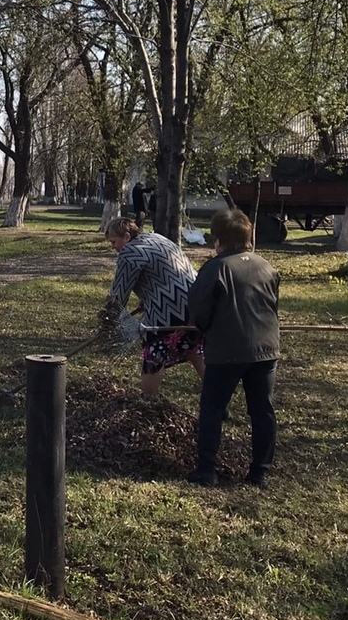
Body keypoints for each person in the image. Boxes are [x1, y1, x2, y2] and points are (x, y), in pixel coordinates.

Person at [186, 209, 280, 488]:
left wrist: (204, 328)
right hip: (266, 349)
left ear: (218, 239)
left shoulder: (216, 268)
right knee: (262, 410)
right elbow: (272, 306)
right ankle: (260, 472)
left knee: (213, 409)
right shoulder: (267, 266)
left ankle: (206, 470)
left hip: (227, 351)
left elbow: (199, 312)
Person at [98, 217, 206, 396]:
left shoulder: (130, 252)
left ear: (126, 237)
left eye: (114, 242)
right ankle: (217, 398)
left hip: (169, 311)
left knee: (154, 353)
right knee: (193, 349)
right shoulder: (157, 238)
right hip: (195, 304)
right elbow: (162, 273)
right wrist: (148, 297)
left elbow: (119, 294)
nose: (113, 247)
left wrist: (108, 319)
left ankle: (149, 400)